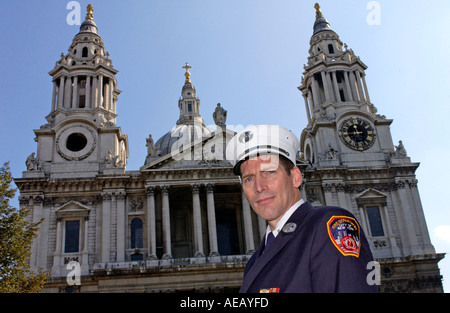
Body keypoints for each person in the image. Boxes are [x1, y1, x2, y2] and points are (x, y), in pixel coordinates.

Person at [226, 125, 378, 293]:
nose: (259, 187)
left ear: (296, 177)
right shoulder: (255, 260)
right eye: (249, 179)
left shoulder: (328, 226)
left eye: (269, 172)